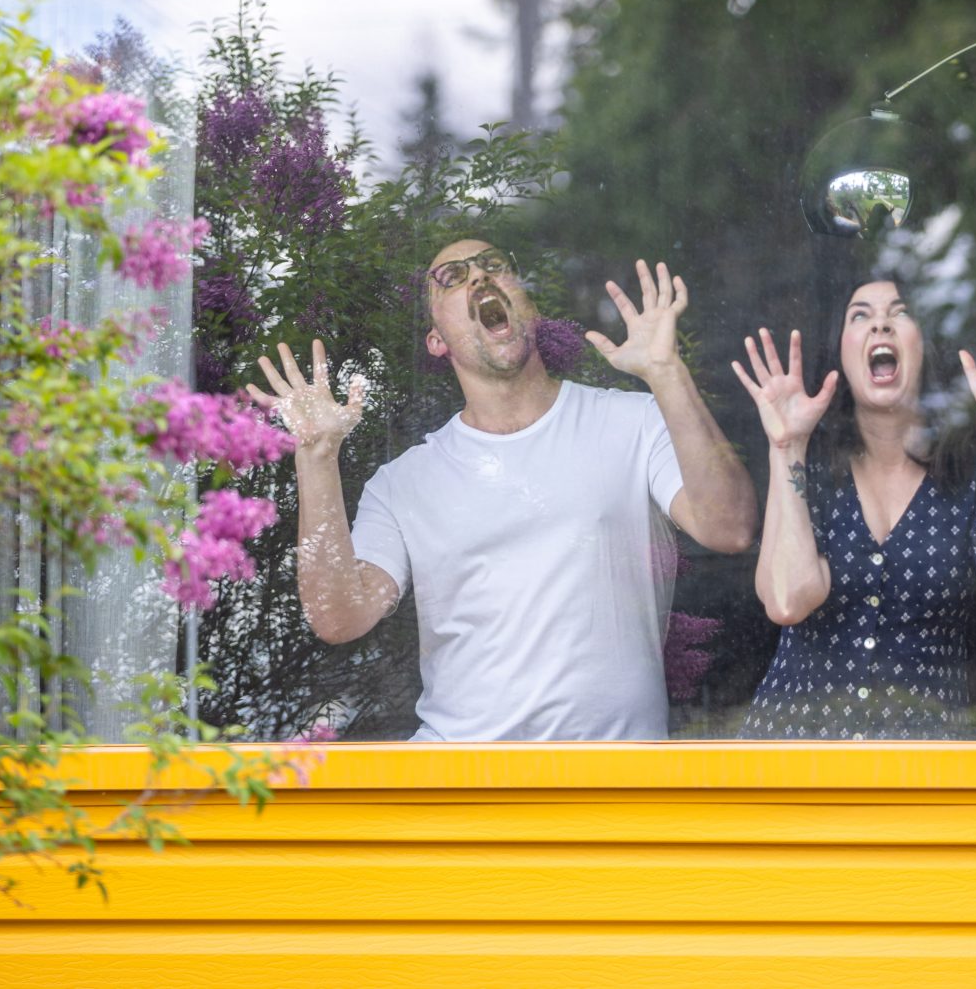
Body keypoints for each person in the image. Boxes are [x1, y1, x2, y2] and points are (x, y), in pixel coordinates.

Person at [247, 240, 757, 742]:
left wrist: (667, 374)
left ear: (528, 306)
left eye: (493, 264)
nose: (478, 276)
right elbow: (341, 617)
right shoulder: (403, 484)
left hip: (615, 783)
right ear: (436, 340)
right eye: (452, 277)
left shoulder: (632, 422)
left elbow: (729, 526)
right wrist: (316, 459)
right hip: (463, 786)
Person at [730, 280, 976, 739]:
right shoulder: (813, 472)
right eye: (860, 315)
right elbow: (788, 600)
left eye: (900, 312)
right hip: (795, 766)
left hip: (923, 776)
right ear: (842, 356)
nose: (881, 322)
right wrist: (786, 445)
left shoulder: (968, 472)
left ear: (924, 346)